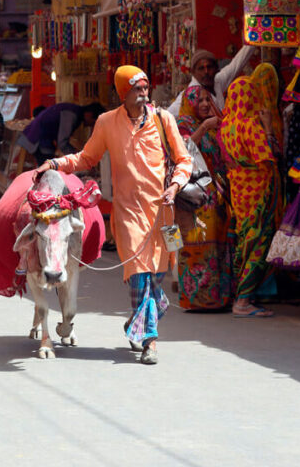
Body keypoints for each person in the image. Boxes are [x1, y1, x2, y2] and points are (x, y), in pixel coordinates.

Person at [35, 66, 192, 365]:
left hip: (162, 213)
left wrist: (174, 186)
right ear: (123, 93)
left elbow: (184, 159)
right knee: (139, 276)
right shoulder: (107, 122)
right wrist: (55, 163)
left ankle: (138, 321)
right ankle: (151, 342)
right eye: (137, 89)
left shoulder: (163, 120)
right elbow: (86, 158)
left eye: (146, 88)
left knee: (156, 281)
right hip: (128, 214)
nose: (144, 94)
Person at [218, 77, 279, 318]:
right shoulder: (250, 126)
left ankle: (241, 294)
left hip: (239, 193)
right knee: (259, 242)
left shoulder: (226, 126)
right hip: (258, 193)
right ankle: (243, 301)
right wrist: (269, 128)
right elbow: (269, 156)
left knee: (245, 239)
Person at [175, 85, 233, 311]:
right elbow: (183, 151)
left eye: (207, 99)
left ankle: (217, 298)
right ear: (190, 103)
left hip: (216, 197)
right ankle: (196, 299)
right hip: (195, 199)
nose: (205, 104)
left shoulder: (215, 123)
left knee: (217, 248)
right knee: (197, 247)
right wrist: (204, 127)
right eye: (199, 100)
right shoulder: (183, 125)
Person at [167, 46, 256, 115]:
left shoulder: (217, 81)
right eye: (201, 68)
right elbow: (167, 116)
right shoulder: (191, 93)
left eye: (209, 67)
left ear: (216, 68)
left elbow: (237, 63)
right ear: (193, 72)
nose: (206, 72)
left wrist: (254, 36)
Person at [15, 102, 106, 164]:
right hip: (37, 140)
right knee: (47, 173)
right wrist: (79, 158)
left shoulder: (74, 112)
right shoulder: (72, 115)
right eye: (93, 122)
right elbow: (62, 142)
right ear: (89, 114)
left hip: (35, 137)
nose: (91, 126)